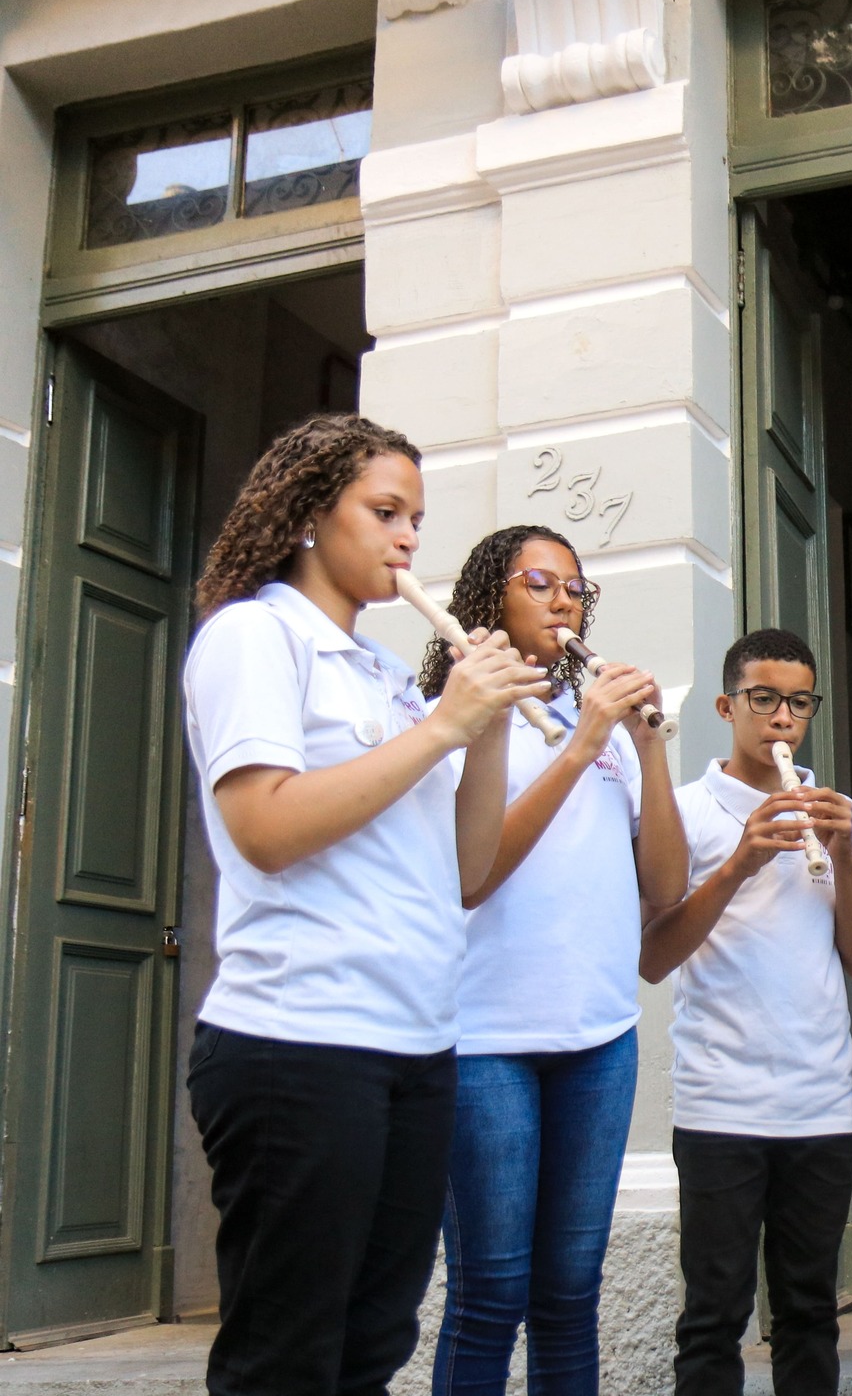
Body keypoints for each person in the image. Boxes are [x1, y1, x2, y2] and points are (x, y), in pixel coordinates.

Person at [182, 414, 554, 1396]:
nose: (407, 540)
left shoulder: (391, 679)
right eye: (385, 511)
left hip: (416, 1046)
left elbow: (468, 872)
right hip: (299, 1042)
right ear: (309, 516)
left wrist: (485, 731)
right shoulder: (254, 635)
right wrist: (443, 728)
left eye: (416, 521)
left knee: (373, 1346)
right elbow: (263, 825)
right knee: (286, 1360)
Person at [418, 526, 690, 1395]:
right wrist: (582, 746)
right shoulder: (454, 715)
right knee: (491, 1293)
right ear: (490, 594)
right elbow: (479, 871)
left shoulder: (599, 726)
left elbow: (667, 886)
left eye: (576, 587)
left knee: (571, 1295)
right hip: (485, 1040)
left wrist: (646, 745)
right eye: (541, 582)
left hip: (600, 1040)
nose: (566, 599)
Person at [640, 628, 852, 1396]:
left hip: (819, 1106)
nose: (782, 718)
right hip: (721, 1107)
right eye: (764, 699)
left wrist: (843, 854)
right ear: (725, 706)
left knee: (810, 1312)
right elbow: (654, 956)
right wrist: (741, 860)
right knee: (713, 1319)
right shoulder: (685, 812)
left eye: (799, 702)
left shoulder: (836, 810)